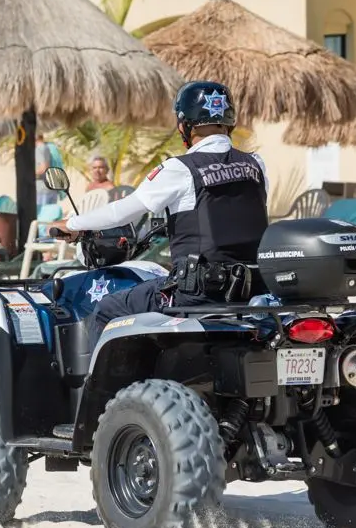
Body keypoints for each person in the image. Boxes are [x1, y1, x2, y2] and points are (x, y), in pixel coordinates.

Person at [49, 81, 269, 344]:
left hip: (198, 292)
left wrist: (73, 223)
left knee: (108, 308)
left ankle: (103, 386)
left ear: (184, 125)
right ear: (229, 120)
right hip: (252, 287)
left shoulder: (180, 168)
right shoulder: (255, 164)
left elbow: (122, 212)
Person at [35, 134, 58, 207]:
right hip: (52, 188)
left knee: (41, 217)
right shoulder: (51, 147)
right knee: (50, 216)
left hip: (42, 189)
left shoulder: (39, 148)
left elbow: (43, 168)